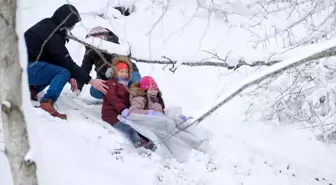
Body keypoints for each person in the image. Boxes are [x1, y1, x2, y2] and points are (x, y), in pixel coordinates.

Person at [25, 4, 108, 120]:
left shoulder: (50, 27)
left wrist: (70, 77)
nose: (72, 28)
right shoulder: (52, 34)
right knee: (62, 72)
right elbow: (64, 61)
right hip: (23, 69)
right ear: (66, 21)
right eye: (72, 25)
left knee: (59, 71)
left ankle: (30, 91)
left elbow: (59, 58)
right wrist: (90, 80)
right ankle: (46, 103)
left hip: (22, 68)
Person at [101, 56, 156, 151]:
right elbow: (112, 98)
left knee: (136, 125)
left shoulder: (126, 87)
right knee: (128, 127)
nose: (124, 74)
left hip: (121, 114)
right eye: (121, 71)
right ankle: (138, 141)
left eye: (126, 72)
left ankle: (146, 139)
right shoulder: (111, 83)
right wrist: (123, 109)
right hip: (111, 114)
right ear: (115, 72)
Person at [77, 26, 141, 99]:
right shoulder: (91, 52)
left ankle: (134, 99)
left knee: (136, 84)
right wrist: (78, 87)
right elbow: (85, 68)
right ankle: (112, 99)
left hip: (128, 73)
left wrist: (113, 70)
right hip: (106, 78)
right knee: (94, 91)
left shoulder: (115, 48)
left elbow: (125, 62)